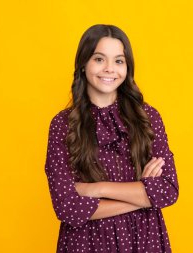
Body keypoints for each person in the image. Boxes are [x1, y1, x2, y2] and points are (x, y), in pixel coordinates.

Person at [44, 24, 179, 252]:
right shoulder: (62, 124)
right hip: (86, 243)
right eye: (99, 59)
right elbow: (67, 207)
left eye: (118, 61)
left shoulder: (148, 118)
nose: (109, 69)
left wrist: (95, 189)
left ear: (127, 68)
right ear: (83, 64)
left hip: (145, 240)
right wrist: (142, 194)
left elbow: (167, 191)